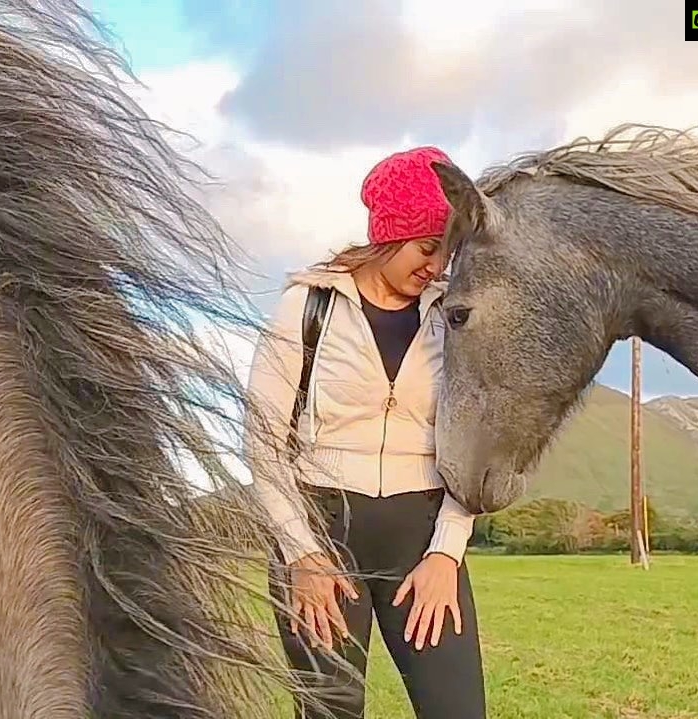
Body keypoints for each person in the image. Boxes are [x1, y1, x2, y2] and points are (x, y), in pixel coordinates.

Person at [245, 146, 486, 719]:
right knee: (330, 712)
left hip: (421, 540)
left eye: (448, 252)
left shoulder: (456, 317)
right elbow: (262, 440)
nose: (435, 266)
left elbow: (474, 445)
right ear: (389, 234)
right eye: (428, 248)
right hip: (322, 538)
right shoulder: (308, 307)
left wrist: (446, 554)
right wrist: (301, 554)